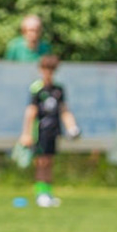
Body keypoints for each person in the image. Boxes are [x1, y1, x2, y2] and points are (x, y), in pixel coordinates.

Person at [17, 54, 80, 207]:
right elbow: (31, 111)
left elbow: (64, 110)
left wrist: (72, 127)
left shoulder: (58, 89)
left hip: (53, 129)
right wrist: (26, 133)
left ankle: (48, 192)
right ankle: (40, 193)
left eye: (51, 70)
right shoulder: (36, 88)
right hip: (39, 130)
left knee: (50, 161)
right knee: (41, 162)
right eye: (46, 69)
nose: (48, 73)